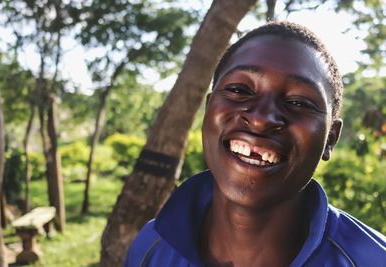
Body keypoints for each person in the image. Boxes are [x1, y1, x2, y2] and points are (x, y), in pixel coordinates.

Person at [124, 21, 386, 267]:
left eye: (299, 103)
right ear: (208, 110)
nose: (261, 119)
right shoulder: (150, 247)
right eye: (239, 89)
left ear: (330, 138)